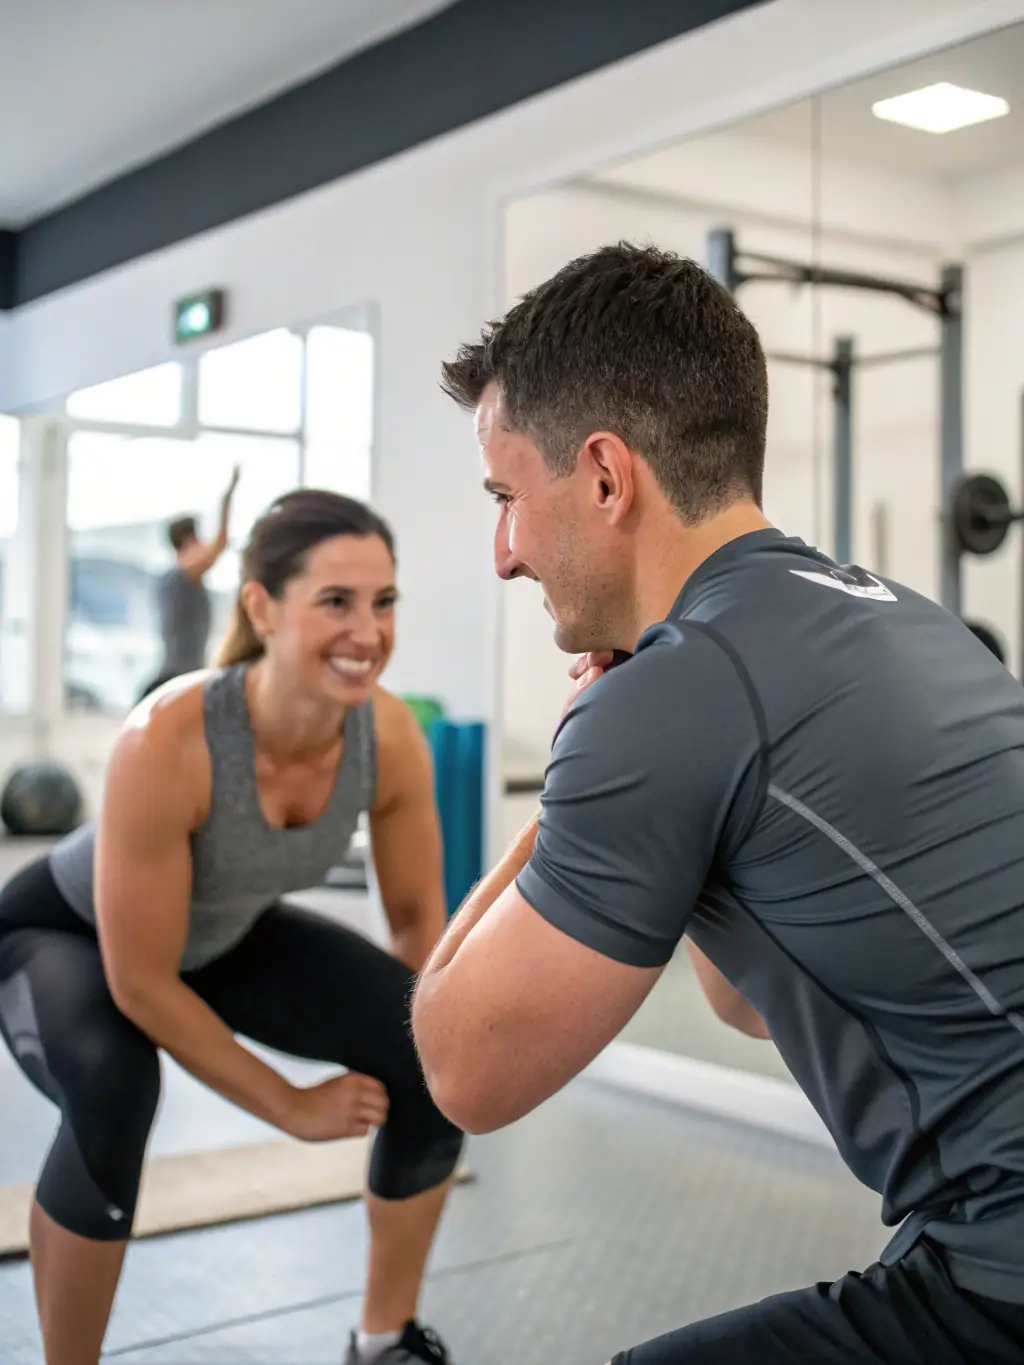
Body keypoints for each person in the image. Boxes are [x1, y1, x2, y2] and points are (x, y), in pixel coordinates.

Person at [412, 243, 1024, 1364]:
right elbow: (755, 999)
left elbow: (462, 1070)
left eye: (507, 497)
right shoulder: (898, 612)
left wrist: (569, 774)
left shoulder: (679, 690)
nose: (503, 552)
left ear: (603, 476)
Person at [0, 489, 463, 1365]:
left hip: (220, 936)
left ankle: (384, 1342)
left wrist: (422, 1050)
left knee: (425, 1055)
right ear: (261, 605)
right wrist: (287, 1103)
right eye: (336, 601)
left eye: (384, 601)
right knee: (112, 1084)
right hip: (66, 938)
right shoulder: (168, 736)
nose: (368, 632)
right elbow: (139, 982)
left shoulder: (389, 737)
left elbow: (414, 924)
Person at [137, 466, 240, 700]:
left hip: (183, 675)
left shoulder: (174, 579)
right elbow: (220, 544)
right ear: (189, 542)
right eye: (199, 538)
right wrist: (228, 496)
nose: (205, 544)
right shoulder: (182, 577)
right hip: (177, 677)